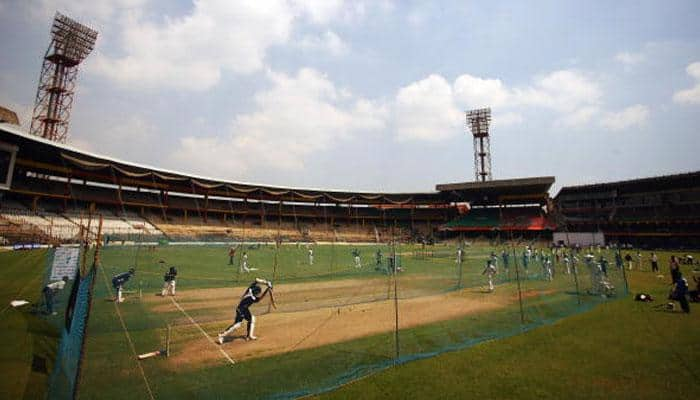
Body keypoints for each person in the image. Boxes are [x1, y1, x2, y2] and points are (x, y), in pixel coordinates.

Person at [218, 278, 272, 344]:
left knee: (252, 319)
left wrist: (266, 283)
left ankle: (249, 335)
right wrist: (267, 288)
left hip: (245, 309)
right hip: (240, 309)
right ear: (256, 293)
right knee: (237, 325)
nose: (258, 294)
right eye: (258, 293)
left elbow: (256, 280)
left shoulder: (250, 289)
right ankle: (221, 335)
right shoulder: (252, 298)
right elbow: (260, 298)